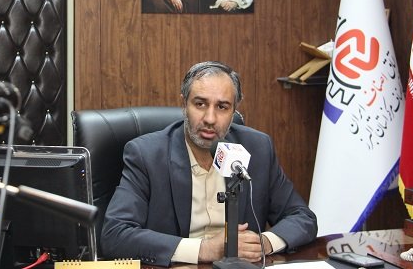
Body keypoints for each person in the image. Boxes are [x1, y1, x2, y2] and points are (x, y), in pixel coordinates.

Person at [101, 61, 318, 266]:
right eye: (200, 104)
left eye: (222, 107)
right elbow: (115, 235)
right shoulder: (147, 155)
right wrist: (204, 249)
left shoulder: (257, 149)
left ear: (234, 111)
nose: (210, 119)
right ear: (184, 104)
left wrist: (263, 243)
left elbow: (303, 218)